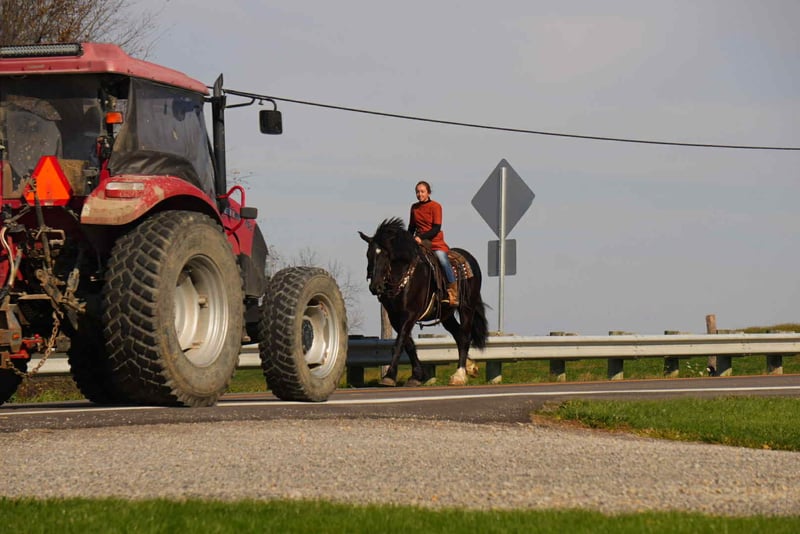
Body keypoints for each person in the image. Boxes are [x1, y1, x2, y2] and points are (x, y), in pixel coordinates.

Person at [408, 180, 458, 305]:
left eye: (422, 191)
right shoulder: (414, 207)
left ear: (428, 192)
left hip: (435, 241)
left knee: (442, 259)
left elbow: (436, 228)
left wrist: (421, 237)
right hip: (419, 241)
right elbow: (411, 227)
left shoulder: (436, 206)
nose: (420, 194)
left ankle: (453, 291)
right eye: (417, 192)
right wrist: (407, 239)